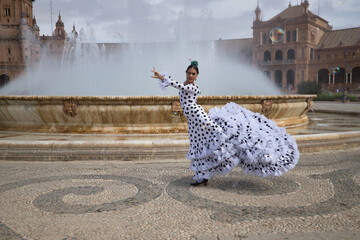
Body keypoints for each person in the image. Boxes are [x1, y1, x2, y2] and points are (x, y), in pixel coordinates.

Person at [151, 61, 299, 186]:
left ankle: (216, 159)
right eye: (189, 73)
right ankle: (203, 176)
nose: (190, 76)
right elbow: (180, 85)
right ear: (186, 73)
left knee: (214, 140)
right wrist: (163, 78)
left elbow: (179, 86)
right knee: (199, 146)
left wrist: (163, 78)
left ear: (197, 76)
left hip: (199, 117)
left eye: (193, 74)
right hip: (193, 122)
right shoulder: (186, 83)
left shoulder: (192, 87)